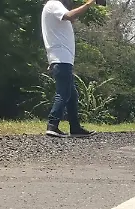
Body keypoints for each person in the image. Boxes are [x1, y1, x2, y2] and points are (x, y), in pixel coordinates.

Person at [41, 0, 96, 138]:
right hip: (61, 58)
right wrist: (89, 4)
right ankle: (52, 124)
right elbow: (70, 15)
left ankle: (75, 128)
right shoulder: (53, 3)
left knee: (72, 95)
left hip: (61, 59)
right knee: (63, 93)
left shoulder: (50, 8)